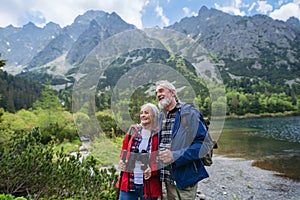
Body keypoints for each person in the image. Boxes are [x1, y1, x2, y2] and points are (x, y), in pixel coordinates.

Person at [155, 80, 211, 200]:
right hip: (165, 178)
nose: (158, 95)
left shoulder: (189, 113)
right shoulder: (161, 116)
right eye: (156, 93)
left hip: (184, 178)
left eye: (161, 90)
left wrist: (175, 155)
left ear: (173, 92)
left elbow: (205, 144)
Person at [117, 103, 162, 200]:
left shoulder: (158, 134)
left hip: (149, 184)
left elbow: (162, 158)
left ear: (154, 116)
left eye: (146, 113)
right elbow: (124, 150)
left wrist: (153, 169)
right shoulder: (133, 130)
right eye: (141, 113)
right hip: (129, 182)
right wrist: (122, 161)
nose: (143, 115)